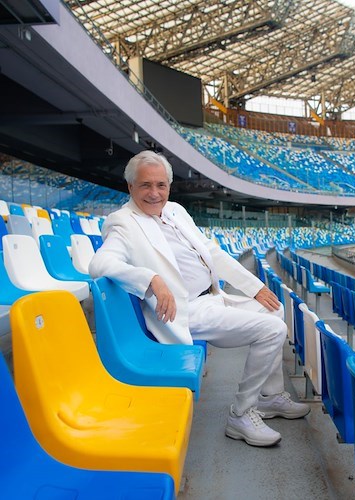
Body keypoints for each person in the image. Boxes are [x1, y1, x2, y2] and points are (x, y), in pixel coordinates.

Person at [89, 150, 309, 447]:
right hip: (187, 311)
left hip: (212, 297)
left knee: (273, 308)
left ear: (169, 186)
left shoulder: (176, 211)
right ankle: (241, 414)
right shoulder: (122, 222)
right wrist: (151, 279)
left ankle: (269, 398)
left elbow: (211, 251)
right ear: (130, 187)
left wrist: (253, 287)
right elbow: (99, 265)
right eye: (145, 185)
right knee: (273, 329)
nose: (154, 193)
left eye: (161, 185)